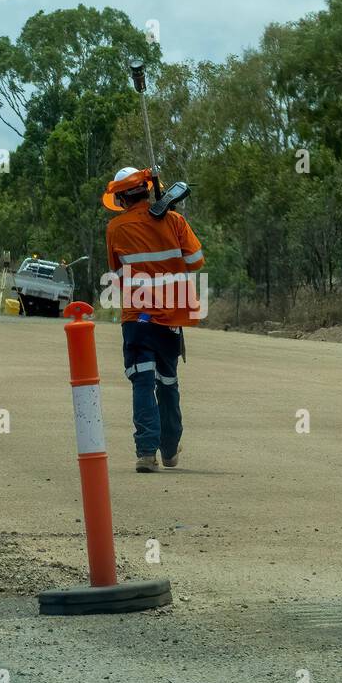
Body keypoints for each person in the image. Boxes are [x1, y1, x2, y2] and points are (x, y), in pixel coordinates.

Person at [103, 167, 205, 472]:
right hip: (171, 318)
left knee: (142, 380)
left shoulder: (115, 229)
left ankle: (146, 452)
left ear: (121, 197)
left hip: (137, 318)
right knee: (168, 382)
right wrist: (170, 229)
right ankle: (170, 450)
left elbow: (118, 273)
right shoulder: (174, 220)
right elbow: (196, 262)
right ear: (150, 189)